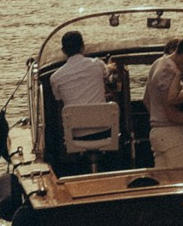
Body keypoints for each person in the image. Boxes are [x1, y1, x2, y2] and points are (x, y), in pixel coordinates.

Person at [46, 31, 129, 169]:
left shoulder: (55, 77)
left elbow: (59, 99)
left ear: (63, 51)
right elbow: (108, 73)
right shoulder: (97, 64)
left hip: (76, 137)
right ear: (83, 47)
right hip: (104, 132)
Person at [143, 37, 183, 172]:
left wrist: (158, 118)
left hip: (158, 132)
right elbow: (171, 111)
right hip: (173, 135)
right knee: (181, 180)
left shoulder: (158, 63)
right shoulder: (168, 71)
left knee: (163, 182)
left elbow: (146, 99)